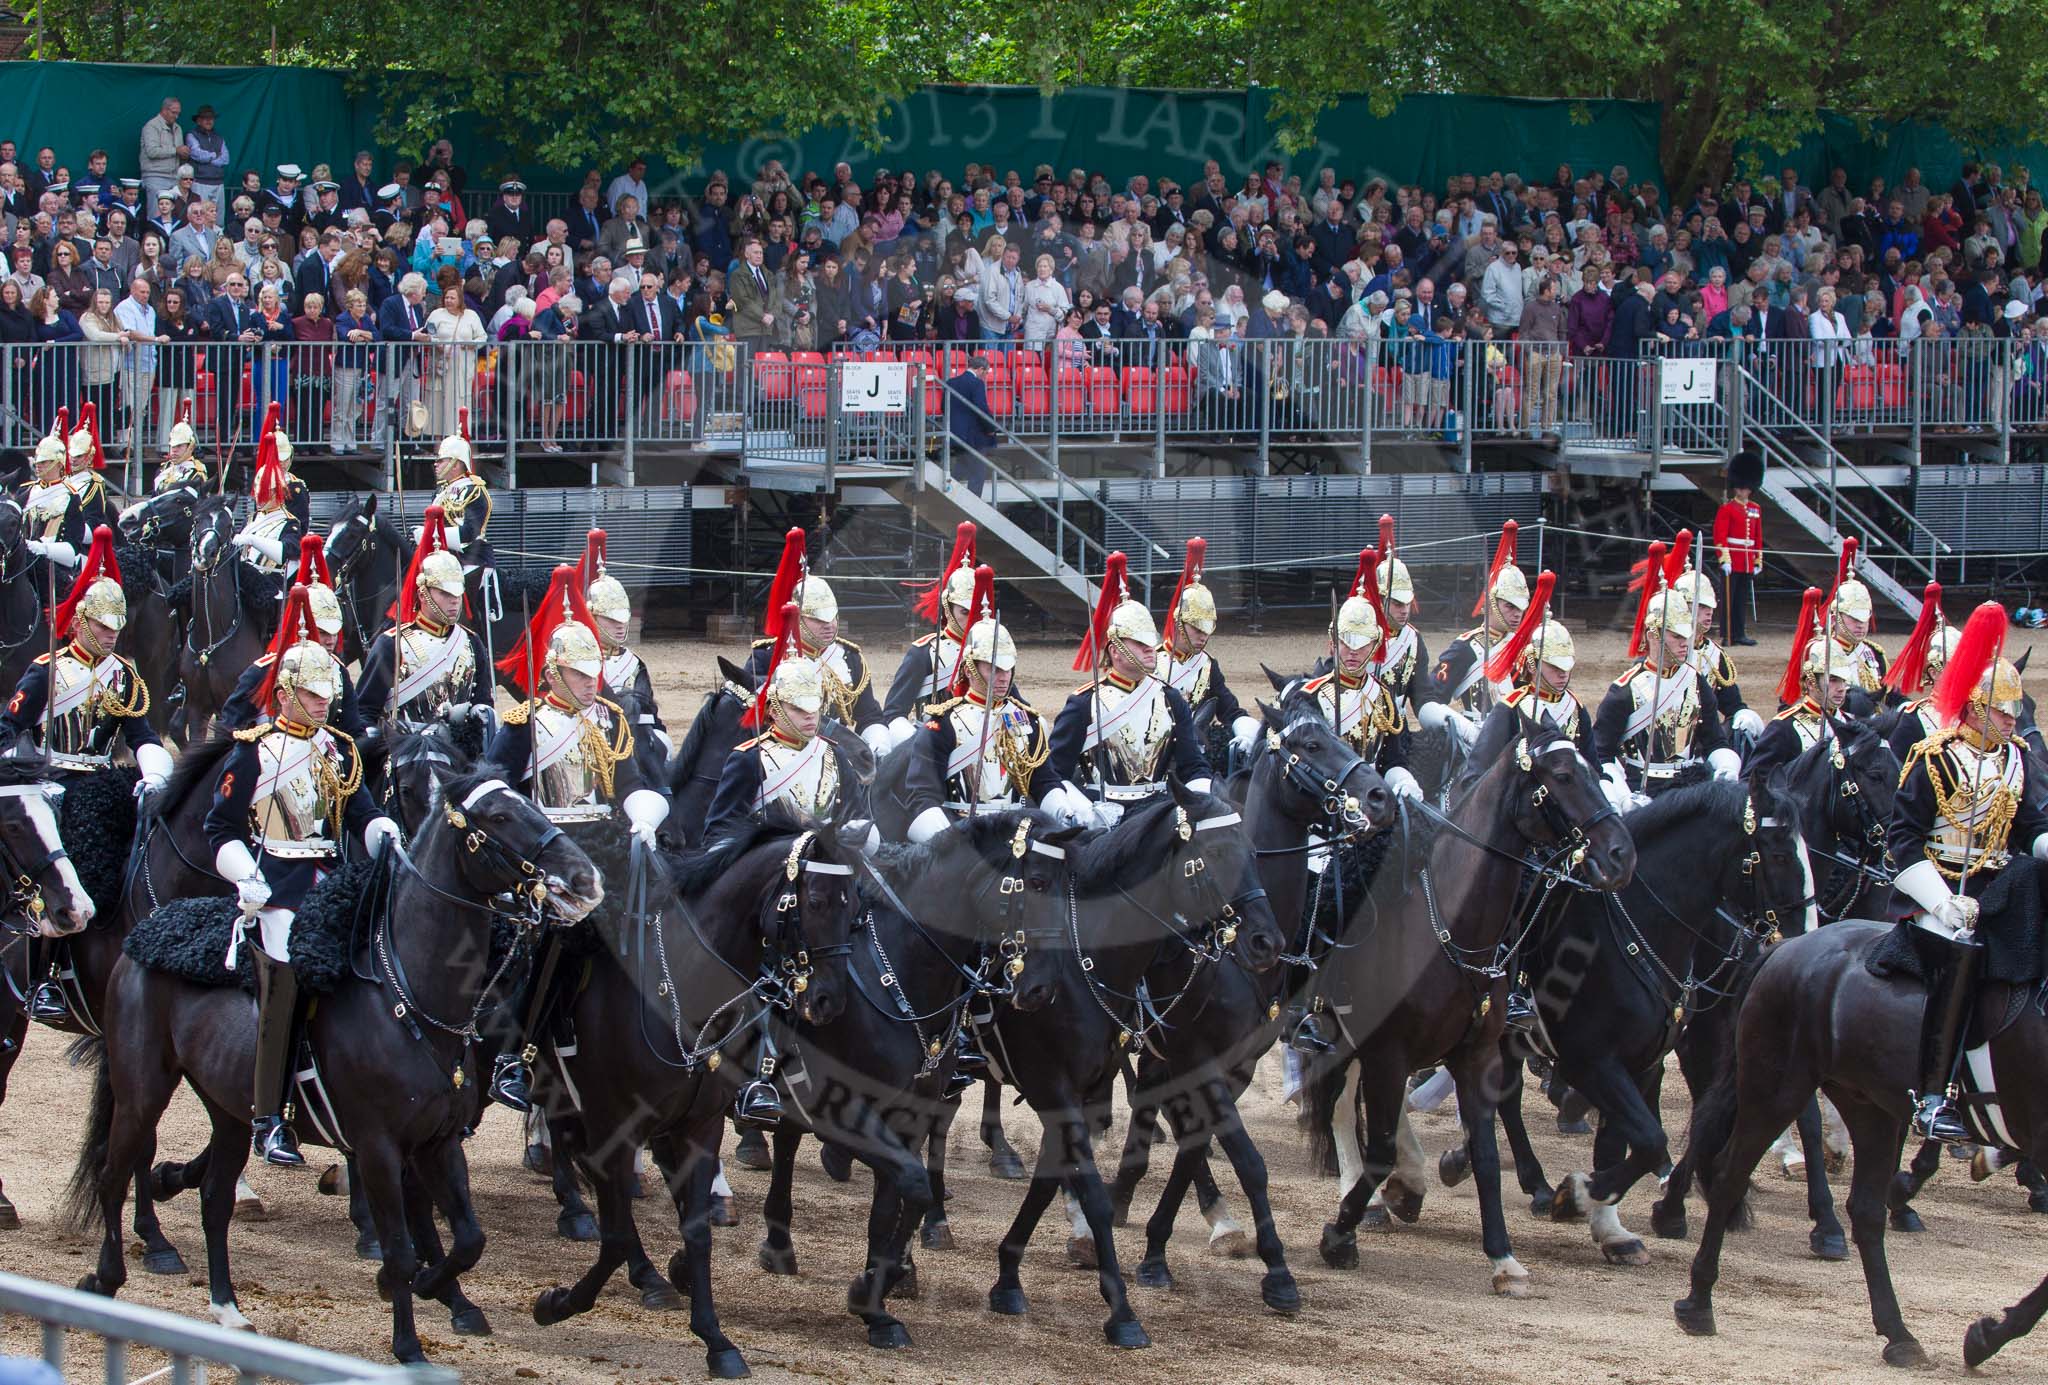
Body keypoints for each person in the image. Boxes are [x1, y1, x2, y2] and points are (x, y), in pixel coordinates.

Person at [206, 582, 399, 1164]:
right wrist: (246, 876)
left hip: (331, 882)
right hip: (275, 888)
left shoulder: (339, 750)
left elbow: (362, 811)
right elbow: (220, 829)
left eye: (328, 695)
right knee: (286, 979)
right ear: (285, 693)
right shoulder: (251, 749)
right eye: (313, 696)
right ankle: (270, 1115)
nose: (324, 703)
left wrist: (385, 834)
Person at [483, 564, 667, 1110]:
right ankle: (514, 1056)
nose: (594, 683)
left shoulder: (611, 720)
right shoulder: (524, 724)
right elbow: (496, 793)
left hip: (606, 847)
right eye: (582, 675)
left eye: (595, 674)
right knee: (550, 942)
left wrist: (644, 817)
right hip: (544, 857)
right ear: (555, 672)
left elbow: (631, 783)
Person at [1886, 604, 2048, 1144]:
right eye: (2003, 711)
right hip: (1940, 889)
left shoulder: (2017, 759)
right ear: (1976, 707)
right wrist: (1939, 901)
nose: (2012, 720)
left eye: (2014, 712)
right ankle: (1933, 1098)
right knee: (1961, 960)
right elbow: (1901, 841)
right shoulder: (1934, 758)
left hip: (2000, 891)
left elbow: (2032, 827)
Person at [4, 525, 174, 1026]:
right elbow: (7, 726)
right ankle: (46, 976)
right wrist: (28, 768)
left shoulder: (123, 674)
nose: (110, 635)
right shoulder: (46, 671)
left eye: (115, 628)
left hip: (104, 779)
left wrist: (156, 772)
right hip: (53, 784)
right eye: (102, 627)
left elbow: (143, 734)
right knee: (58, 868)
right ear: (80, 622)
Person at [1046, 551, 1212, 825]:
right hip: (1102, 815)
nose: (1151, 649)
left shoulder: (1170, 698)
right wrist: (1084, 811)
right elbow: (1055, 771)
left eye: (1151, 642)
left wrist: (1200, 799)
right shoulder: (1083, 703)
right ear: (1116, 651)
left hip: (1159, 814)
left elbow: (1193, 765)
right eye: (1140, 643)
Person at [901, 564, 1056, 842]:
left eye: (1007, 669)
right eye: (992, 669)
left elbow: (1044, 780)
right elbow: (923, 793)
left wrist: (1065, 808)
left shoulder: (1024, 718)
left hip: (1017, 831)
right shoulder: (941, 721)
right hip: (963, 831)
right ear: (971, 668)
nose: (1002, 677)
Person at [741, 527, 889, 751]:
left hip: (840, 751)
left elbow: (868, 714)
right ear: (798, 617)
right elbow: (751, 719)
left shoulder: (849, 657)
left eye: (833, 617)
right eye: (819, 620)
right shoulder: (766, 657)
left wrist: (878, 739)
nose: (829, 626)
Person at [1594, 585, 1740, 802]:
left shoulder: (1697, 683)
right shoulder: (1624, 690)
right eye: (1676, 636)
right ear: (1653, 635)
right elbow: (1601, 753)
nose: (1685, 643)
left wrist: (1726, 765)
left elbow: (1715, 741)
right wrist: (1623, 796)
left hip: (1691, 785)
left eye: (1687, 635)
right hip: (1642, 790)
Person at [356, 506, 493, 731]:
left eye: (457, 593)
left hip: (459, 753)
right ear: (423, 594)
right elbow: (366, 711)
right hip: (407, 752)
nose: (454, 600)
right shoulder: (391, 643)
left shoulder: (471, 642)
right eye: (445, 593)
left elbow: (483, 702)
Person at [219, 536, 365, 738]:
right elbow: (229, 728)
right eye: (323, 632)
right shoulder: (264, 670)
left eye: (334, 633)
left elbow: (353, 730)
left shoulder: (337, 670)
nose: (331, 641)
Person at [1154, 537, 1262, 773]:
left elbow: (1230, 711)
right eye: (1196, 629)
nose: (1203, 637)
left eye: (1207, 629)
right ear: (1180, 623)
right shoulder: (1151, 663)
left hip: (1196, 755)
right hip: (1155, 758)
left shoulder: (1207, 666)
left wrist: (1244, 732)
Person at [882, 521, 981, 741]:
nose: (971, 619)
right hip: (934, 743)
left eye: (976, 611)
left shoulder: (991, 648)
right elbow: (894, 713)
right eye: (965, 612)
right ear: (948, 608)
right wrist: (915, 744)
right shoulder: (924, 653)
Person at [1429, 523, 1529, 739]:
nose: (1517, 614)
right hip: (1476, 738)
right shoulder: (1466, 648)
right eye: (1510, 606)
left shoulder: (1522, 647)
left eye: (1521, 608)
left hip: (1517, 738)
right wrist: (1460, 728)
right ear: (1492, 604)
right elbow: (1432, 698)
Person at [1748, 588, 1857, 778]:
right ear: (1811, 682)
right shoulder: (1784, 728)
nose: (1841, 688)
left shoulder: (1849, 723)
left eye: (1842, 680)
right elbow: (1754, 780)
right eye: (1832, 680)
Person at [578, 528, 669, 758]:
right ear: (592, 616)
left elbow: (648, 711)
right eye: (610, 619)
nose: (619, 626)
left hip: (630, 739)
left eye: (622, 619)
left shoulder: (634, 663)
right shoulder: (576, 658)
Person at [227, 406, 305, 617]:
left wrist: (252, 540)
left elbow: (289, 549)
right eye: (258, 493)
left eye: (265, 494)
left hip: (272, 576)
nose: (259, 499)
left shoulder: (290, 521)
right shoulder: (254, 518)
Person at [1710, 450, 1764, 645]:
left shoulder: (1756, 509)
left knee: (1741, 599)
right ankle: (1727, 634)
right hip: (1732, 559)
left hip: (1748, 560)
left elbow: (1758, 537)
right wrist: (1724, 559)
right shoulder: (1727, 509)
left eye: (1747, 488)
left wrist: (1758, 560)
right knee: (1728, 599)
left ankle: (1740, 633)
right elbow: (1720, 536)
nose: (1744, 491)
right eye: (1741, 488)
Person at [945, 352, 995, 499]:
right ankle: (974, 502)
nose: (985, 376)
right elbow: (981, 408)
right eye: (985, 372)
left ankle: (948, 495)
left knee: (961, 467)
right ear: (980, 369)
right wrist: (991, 428)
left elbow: (943, 406)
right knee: (978, 472)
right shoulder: (977, 383)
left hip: (955, 433)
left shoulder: (950, 382)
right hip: (973, 436)